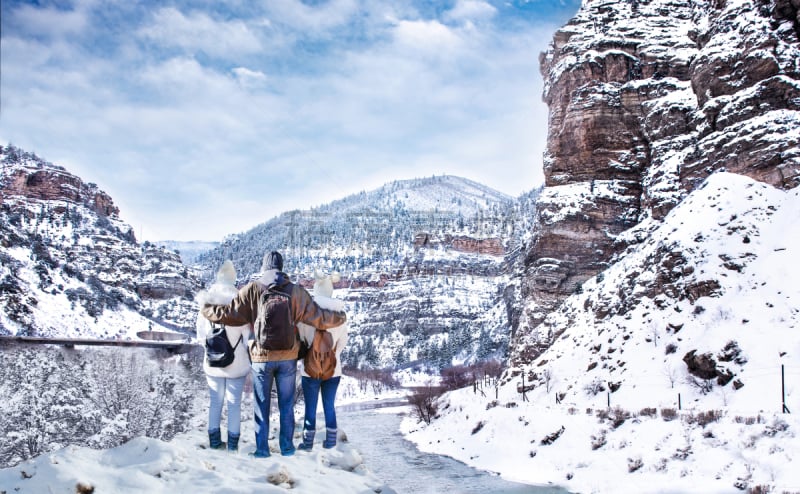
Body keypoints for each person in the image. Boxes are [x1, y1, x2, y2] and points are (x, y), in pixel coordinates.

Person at [201, 251, 346, 457]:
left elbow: (229, 314)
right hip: (288, 356)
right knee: (286, 405)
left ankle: (262, 450)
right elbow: (318, 317)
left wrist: (206, 309)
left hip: (261, 357)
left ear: (264, 268)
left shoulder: (252, 289)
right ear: (281, 267)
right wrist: (339, 317)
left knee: (262, 405)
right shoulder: (296, 291)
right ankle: (287, 448)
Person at [195, 260, 251, 452]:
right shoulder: (241, 310)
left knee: (215, 403)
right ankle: (233, 446)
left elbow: (201, 338)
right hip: (237, 367)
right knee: (234, 405)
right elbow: (247, 340)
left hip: (213, 365)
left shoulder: (205, 309)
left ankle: (215, 443)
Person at [297, 271, 348, 451]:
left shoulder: (306, 314)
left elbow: (300, 339)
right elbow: (343, 342)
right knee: (329, 406)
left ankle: (307, 443)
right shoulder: (341, 315)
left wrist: (310, 355)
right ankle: (331, 442)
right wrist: (332, 355)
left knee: (310, 408)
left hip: (309, 369)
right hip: (333, 370)